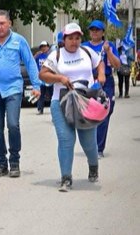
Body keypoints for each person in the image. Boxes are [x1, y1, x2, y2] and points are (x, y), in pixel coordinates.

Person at [39, 22, 105, 192]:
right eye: (70, 38)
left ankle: (93, 166)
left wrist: (102, 75)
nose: (74, 42)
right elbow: (43, 75)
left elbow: (99, 63)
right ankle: (66, 178)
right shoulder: (56, 55)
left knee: (88, 142)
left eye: (77, 38)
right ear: (64, 39)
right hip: (60, 102)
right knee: (66, 140)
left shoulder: (87, 52)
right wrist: (60, 78)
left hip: (85, 101)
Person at [0, 10, 41, 178]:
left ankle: (14, 162)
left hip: (14, 88)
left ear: (9, 23)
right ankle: (1, 164)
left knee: (13, 124)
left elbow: (30, 63)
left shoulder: (18, 41)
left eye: (2, 23)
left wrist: (36, 85)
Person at [82, 20, 121, 158]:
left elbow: (117, 65)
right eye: (92, 29)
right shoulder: (84, 46)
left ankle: (99, 148)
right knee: (90, 113)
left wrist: (108, 52)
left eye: (97, 30)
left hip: (106, 82)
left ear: (103, 32)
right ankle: (91, 145)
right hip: (90, 81)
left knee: (106, 112)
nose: (94, 32)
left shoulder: (108, 45)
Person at [34, 41, 53, 114]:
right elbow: (32, 62)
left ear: (48, 47)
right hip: (41, 78)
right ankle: (40, 109)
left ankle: (53, 110)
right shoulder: (39, 56)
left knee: (52, 95)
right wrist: (35, 55)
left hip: (50, 77)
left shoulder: (51, 55)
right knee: (41, 94)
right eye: (42, 47)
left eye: (45, 46)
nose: (44, 48)